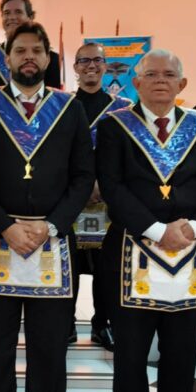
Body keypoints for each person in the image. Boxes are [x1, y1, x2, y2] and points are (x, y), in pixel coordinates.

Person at [0, 22, 94, 392]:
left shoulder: (69, 107)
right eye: (20, 50)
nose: (29, 58)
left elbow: (83, 175)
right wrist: (3, 225)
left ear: (47, 58)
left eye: (36, 51)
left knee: (49, 347)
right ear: (6, 58)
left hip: (52, 242)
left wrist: (53, 225)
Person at [96, 49, 196, 392]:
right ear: (136, 83)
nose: (160, 81)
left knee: (180, 353)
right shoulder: (116, 125)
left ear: (182, 84)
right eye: (151, 74)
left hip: (189, 251)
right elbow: (112, 187)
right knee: (130, 354)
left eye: (169, 74)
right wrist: (156, 229)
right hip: (132, 250)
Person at [71, 42, 133, 350]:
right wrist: (81, 186)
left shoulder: (123, 107)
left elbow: (127, 154)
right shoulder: (62, 105)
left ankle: (102, 324)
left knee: (107, 268)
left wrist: (102, 184)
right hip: (71, 197)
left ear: (106, 66)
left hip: (109, 198)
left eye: (97, 60)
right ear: (75, 67)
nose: (91, 66)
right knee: (68, 264)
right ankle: (65, 323)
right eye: (84, 61)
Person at [0, 0, 62, 90]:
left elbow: (53, 97)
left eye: (18, 12)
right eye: (7, 13)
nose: (12, 17)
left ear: (30, 17)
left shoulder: (52, 59)